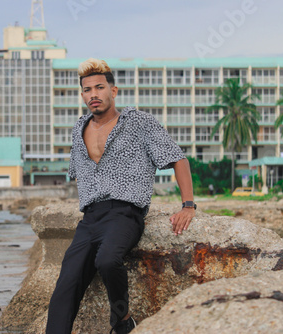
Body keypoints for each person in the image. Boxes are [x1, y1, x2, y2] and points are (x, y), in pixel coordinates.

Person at [46, 58, 196, 334]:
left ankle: (123, 321)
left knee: (107, 260)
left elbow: (178, 158)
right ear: (82, 95)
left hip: (125, 213)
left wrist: (188, 205)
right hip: (90, 219)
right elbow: (79, 173)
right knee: (65, 284)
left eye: (100, 87)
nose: (93, 94)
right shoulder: (78, 130)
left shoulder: (138, 121)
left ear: (113, 91)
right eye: (87, 90)